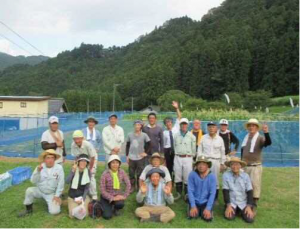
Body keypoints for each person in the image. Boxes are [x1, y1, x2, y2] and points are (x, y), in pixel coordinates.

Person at [18, 149, 64, 217]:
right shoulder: (39, 167)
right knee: (29, 190)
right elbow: (33, 181)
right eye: (48, 158)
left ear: (54, 159)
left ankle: (57, 199)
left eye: (52, 158)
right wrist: (38, 171)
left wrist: (57, 195)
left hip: (51, 193)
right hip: (40, 190)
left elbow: (61, 183)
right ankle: (28, 209)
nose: (50, 160)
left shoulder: (59, 168)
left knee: (55, 212)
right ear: (44, 159)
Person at [241, 119, 272, 205]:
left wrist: (266, 132)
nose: (251, 127)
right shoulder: (246, 138)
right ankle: (245, 202)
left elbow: (268, 143)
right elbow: (243, 152)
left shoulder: (260, 138)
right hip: (245, 165)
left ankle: (254, 204)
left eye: (253, 125)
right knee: (244, 184)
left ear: (257, 128)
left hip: (255, 166)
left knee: (255, 185)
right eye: (250, 125)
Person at [197, 121, 226, 202]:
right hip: (205, 162)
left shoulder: (220, 139)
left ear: (216, 128)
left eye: (213, 127)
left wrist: (222, 163)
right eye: (209, 127)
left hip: (216, 161)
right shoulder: (203, 137)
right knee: (204, 179)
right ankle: (204, 197)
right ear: (207, 128)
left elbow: (222, 152)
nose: (211, 128)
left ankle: (215, 198)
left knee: (215, 180)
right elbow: (199, 150)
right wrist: (199, 162)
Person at [223, 157, 255, 223]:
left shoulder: (246, 176)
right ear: (230, 166)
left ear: (240, 166)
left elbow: (250, 191)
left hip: (243, 202)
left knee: (249, 219)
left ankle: (249, 209)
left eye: (237, 164)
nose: (235, 166)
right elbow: (225, 192)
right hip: (232, 202)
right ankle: (235, 210)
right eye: (232, 164)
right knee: (229, 217)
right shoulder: (225, 175)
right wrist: (228, 206)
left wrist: (248, 206)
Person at [100, 155, 131, 219]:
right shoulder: (105, 174)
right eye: (113, 163)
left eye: (117, 163)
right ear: (109, 164)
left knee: (120, 204)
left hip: (117, 196)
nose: (115, 165)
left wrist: (124, 196)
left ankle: (116, 209)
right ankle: (106, 206)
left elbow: (128, 184)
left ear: (119, 164)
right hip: (106, 197)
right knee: (107, 216)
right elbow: (102, 190)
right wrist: (112, 198)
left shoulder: (121, 172)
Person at [187, 156, 216, 222]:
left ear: (207, 166)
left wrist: (208, 208)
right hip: (195, 201)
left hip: (205, 202)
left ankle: (208, 210)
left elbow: (212, 193)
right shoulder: (192, 174)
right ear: (196, 166)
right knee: (193, 217)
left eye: (203, 164)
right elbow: (190, 191)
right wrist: (193, 206)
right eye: (199, 164)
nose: (201, 166)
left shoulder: (212, 176)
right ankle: (190, 205)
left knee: (207, 218)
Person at [71, 130, 98, 201]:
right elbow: (76, 157)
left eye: (79, 138)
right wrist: (75, 165)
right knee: (79, 174)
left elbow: (93, 157)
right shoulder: (73, 145)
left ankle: (94, 194)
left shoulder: (87, 144)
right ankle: (83, 191)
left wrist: (90, 168)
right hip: (81, 160)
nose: (77, 141)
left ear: (82, 138)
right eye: (75, 139)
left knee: (91, 175)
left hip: (91, 159)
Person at [173, 118, 196, 200]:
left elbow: (194, 149)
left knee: (187, 176)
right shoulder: (175, 135)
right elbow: (174, 146)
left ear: (187, 125)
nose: (183, 125)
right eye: (182, 124)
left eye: (185, 124)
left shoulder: (192, 136)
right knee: (178, 175)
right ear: (180, 125)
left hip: (188, 158)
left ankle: (187, 194)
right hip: (178, 157)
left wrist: (192, 158)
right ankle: (178, 193)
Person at [126, 120, 151, 193]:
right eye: (136, 125)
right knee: (131, 173)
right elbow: (127, 145)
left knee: (140, 173)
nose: (137, 126)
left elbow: (149, 144)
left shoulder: (144, 135)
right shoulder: (129, 134)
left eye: (138, 125)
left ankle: (139, 186)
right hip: (131, 157)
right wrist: (127, 156)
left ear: (141, 126)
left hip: (140, 158)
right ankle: (132, 186)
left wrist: (145, 153)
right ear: (134, 126)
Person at [66, 154, 91, 219]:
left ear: (87, 163)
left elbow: (87, 188)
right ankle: (71, 204)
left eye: (85, 161)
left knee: (85, 214)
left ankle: (80, 204)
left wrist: (82, 199)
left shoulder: (88, 172)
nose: (83, 163)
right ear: (78, 162)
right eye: (81, 161)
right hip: (72, 196)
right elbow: (67, 181)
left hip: (83, 196)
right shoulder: (74, 170)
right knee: (72, 215)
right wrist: (72, 171)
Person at [163, 101, 181, 178]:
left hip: (176, 149)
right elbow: (163, 143)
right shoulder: (164, 132)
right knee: (169, 166)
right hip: (168, 150)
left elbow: (179, 117)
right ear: (165, 124)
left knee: (176, 166)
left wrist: (177, 108)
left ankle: (177, 179)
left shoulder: (176, 128)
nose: (168, 123)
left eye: (169, 122)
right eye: (166, 122)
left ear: (172, 122)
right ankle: (170, 180)